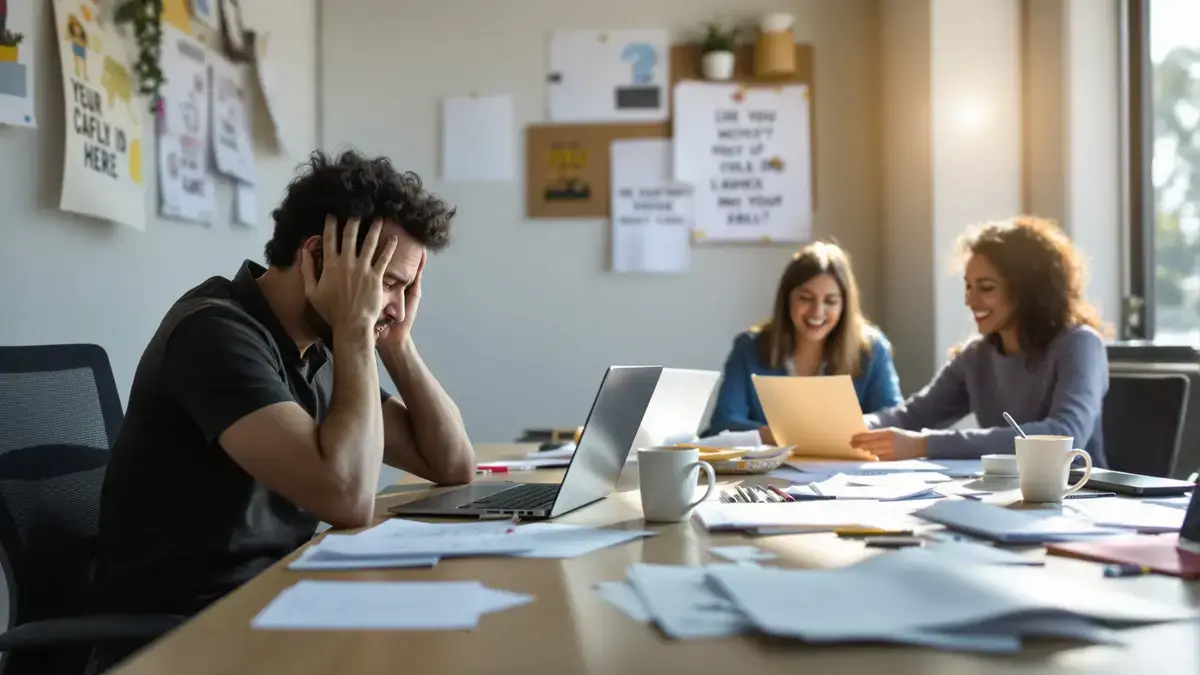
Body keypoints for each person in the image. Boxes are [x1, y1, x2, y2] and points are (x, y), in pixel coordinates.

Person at [92, 150, 476, 629]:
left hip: (277, 599)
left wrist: (396, 343)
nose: (397, 306)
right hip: (188, 631)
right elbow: (348, 499)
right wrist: (358, 328)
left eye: (406, 290)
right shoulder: (215, 333)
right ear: (317, 257)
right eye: (388, 285)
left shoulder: (320, 346)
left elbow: (452, 464)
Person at [850, 215, 1110, 466]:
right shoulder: (976, 356)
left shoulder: (1079, 344)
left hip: (1081, 496)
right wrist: (851, 428)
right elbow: (912, 415)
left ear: (1027, 291)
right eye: (968, 287)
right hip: (1006, 495)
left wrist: (925, 444)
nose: (970, 301)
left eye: (985, 288)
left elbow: (1064, 435)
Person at [705, 241, 903, 441]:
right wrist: (796, 436)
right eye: (805, 298)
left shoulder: (871, 350)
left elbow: (892, 421)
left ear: (844, 305)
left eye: (830, 301)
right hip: (768, 469)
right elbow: (724, 424)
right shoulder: (749, 347)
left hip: (843, 469)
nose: (817, 312)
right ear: (787, 299)